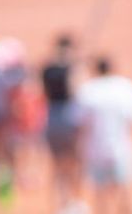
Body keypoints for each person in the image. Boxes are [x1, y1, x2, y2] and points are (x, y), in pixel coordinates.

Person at [77, 56, 132, 214]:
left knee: (100, 195)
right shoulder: (126, 87)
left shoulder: (88, 90)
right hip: (121, 147)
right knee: (125, 192)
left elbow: (80, 123)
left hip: (95, 149)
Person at [41, 33, 84, 213]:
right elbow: (76, 91)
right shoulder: (72, 69)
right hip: (69, 116)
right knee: (75, 162)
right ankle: (75, 202)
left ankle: (60, 203)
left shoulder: (46, 69)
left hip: (51, 116)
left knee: (57, 165)